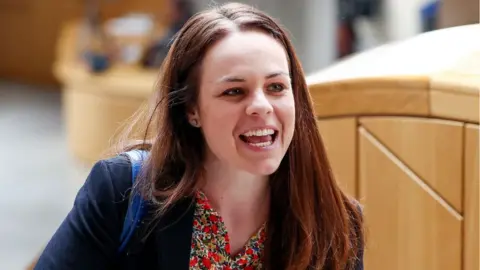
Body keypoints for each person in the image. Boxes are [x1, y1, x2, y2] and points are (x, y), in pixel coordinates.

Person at [34, 2, 364, 269]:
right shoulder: (121, 191)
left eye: (276, 87)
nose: (261, 106)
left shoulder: (337, 222)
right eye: (235, 91)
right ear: (192, 109)